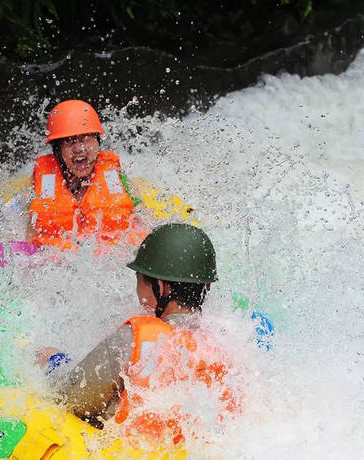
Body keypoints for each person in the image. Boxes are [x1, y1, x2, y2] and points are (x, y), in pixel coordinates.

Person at [37, 223, 240, 445]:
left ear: (161, 287)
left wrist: (55, 362)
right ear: (206, 286)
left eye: (140, 279)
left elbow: (69, 400)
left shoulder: (132, 339)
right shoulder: (228, 342)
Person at [27, 99, 145, 251]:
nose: (79, 149)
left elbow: (142, 215)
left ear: (97, 141)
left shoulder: (115, 176)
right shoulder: (42, 181)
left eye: (86, 139)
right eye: (69, 141)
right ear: (58, 150)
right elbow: (26, 224)